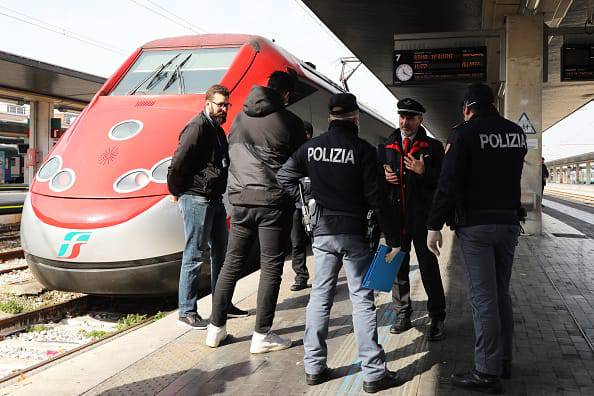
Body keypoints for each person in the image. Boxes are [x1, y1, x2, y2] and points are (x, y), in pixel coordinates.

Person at [277, 93, 403, 393]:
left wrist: (305, 202)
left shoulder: (312, 148)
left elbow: (284, 176)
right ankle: (373, 373)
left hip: (323, 233)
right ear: (355, 118)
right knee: (361, 299)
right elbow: (377, 198)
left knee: (320, 296)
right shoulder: (362, 150)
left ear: (331, 117)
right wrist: (394, 237)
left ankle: (314, 367)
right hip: (354, 233)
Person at [426, 83, 527, 394]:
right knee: (500, 294)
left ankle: (486, 371)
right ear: (493, 103)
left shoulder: (464, 134)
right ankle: (503, 361)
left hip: (476, 228)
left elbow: (448, 181)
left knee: (483, 299)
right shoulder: (516, 133)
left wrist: (434, 224)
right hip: (508, 224)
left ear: (467, 108)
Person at [205, 71, 305, 353]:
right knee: (271, 265)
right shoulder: (290, 122)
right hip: (272, 203)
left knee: (231, 263)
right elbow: (300, 164)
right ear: (285, 94)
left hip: (238, 200)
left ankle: (215, 329)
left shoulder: (238, 119)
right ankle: (262, 335)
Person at [167, 84, 248, 330]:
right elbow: (179, 161)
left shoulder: (217, 130)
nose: (224, 108)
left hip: (213, 199)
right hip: (196, 198)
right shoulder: (197, 128)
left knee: (221, 253)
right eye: (220, 104)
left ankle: (222, 304)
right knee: (194, 254)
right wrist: (175, 190)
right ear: (207, 103)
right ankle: (187, 311)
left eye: (227, 104)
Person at [378, 98, 446, 340]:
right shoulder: (387, 146)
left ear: (420, 120)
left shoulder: (433, 147)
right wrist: (385, 179)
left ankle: (437, 316)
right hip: (396, 221)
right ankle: (402, 313)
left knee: (429, 269)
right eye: (402, 117)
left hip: (423, 221)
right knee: (398, 269)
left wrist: (423, 171)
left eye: (410, 117)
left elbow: (443, 182)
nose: (405, 122)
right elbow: (376, 181)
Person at [290, 121, 313, 292]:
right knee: (296, 242)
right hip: (296, 204)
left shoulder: (314, 153)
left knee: (318, 242)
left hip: (314, 204)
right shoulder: (292, 154)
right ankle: (301, 276)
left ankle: (323, 277)